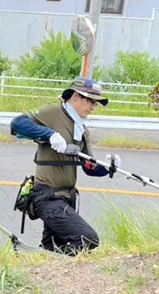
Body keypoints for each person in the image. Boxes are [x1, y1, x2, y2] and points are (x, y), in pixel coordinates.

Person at [10, 77, 121, 256]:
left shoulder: (81, 129)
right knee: (87, 238)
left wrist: (107, 167)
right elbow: (17, 124)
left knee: (53, 249)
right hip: (47, 197)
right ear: (76, 96)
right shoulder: (54, 112)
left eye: (97, 103)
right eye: (90, 100)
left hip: (66, 198)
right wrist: (50, 135)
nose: (94, 106)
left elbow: (88, 166)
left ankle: (41, 264)